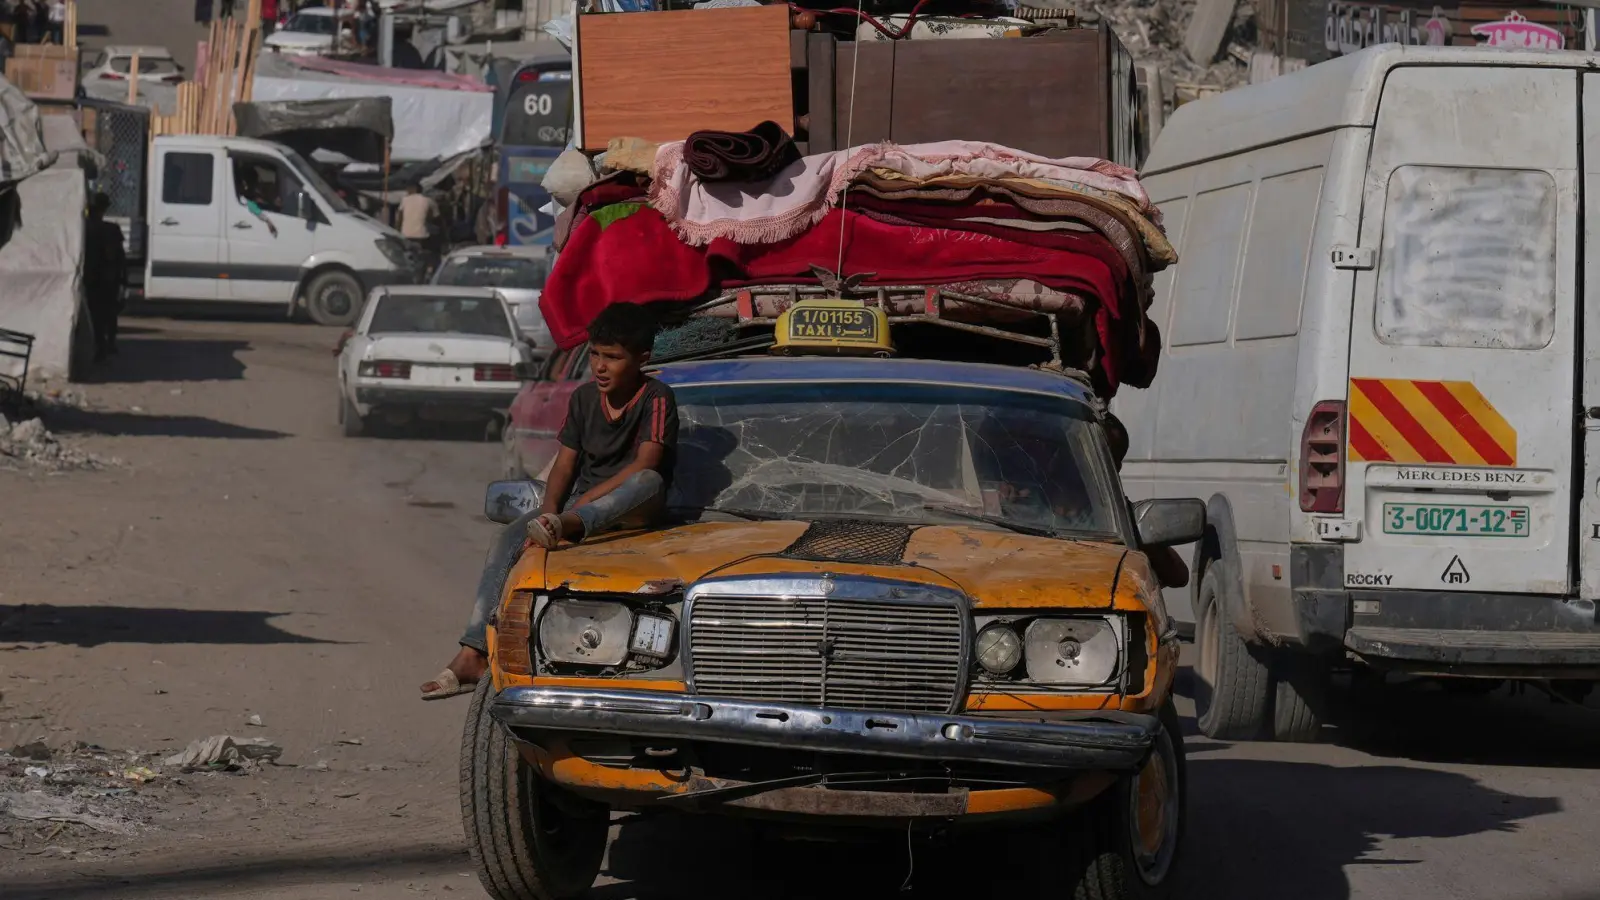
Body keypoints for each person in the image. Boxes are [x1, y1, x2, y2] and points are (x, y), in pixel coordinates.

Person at [420, 304, 678, 700]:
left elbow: (648, 463)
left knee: (647, 478)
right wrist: (546, 514)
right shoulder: (583, 399)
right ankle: (473, 652)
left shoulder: (656, 397)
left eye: (613, 357)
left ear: (642, 359)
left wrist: (573, 514)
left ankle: (569, 524)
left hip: (632, 511)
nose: (601, 366)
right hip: (574, 514)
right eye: (595, 354)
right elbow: (564, 465)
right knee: (506, 539)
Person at [83, 193, 127, 362]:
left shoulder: (84, 228)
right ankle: (107, 344)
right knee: (108, 313)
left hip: (90, 278)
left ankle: (99, 346)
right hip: (109, 279)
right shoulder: (112, 230)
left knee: (94, 314)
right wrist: (123, 279)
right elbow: (121, 259)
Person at [397, 182, 438, 266]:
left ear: (414, 189)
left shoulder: (404, 200)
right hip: (421, 235)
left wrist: (397, 231)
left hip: (405, 233)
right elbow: (434, 217)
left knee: (407, 255)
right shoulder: (428, 200)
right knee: (421, 256)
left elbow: (399, 217)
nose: (407, 191)